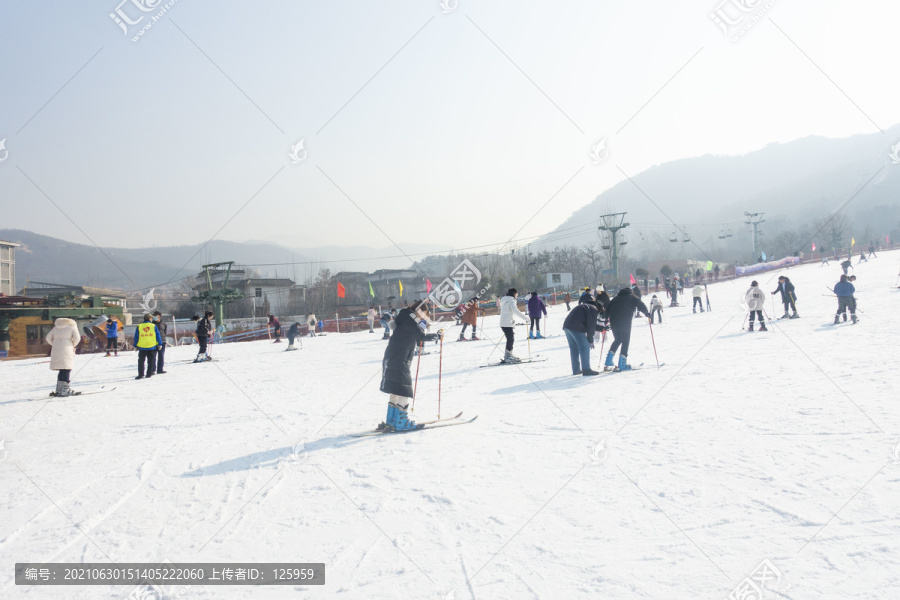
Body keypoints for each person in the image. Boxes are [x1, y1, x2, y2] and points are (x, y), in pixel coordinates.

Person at [378, 299, 429, 431]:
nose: (424, 316)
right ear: (419, 311)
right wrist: (437, 336)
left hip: (391, 357)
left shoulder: (404, 317)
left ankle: (392, 420)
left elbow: (422, 329)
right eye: (424, 313)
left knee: (396, 389)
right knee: (404, 389)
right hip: (399, 360)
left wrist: (425, 323)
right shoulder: (411, 321)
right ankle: (401, 422)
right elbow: (421, 336)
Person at [602, 288, 650, 371]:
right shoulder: (632, 297)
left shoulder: (615, 298)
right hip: (625, 322)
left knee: (617, 340)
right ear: (630, 292)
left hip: (614, 322)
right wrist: (647, 313)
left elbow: (607, 309)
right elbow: (640, 304)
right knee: (625, 341)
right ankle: (622, 364)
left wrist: (606, 319)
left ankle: (608, 361)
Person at [562, 300, 601, 376]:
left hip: (567, 326)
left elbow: (590, 324)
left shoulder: (584, 307)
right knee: (585, 347)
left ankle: (576, 370)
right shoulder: (593, 309)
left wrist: (601, 328)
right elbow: (591, 327)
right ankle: (586, 369)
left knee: (574, 348)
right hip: (576, 327)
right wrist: (590, 340)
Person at [46, 317, 80, 396]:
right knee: (67, 368)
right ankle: (65, 390)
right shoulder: (72, 327)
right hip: (67, 348)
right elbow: (77, 338)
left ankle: (59, 389)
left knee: (61, 369)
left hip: (56, 348)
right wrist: (72, 345)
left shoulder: (55, 328)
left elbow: (48, 338)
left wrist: (54, 343)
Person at [499, 288, 529, 363]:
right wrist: (524, 317)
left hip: (504, 323)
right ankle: (507, 356)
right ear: (514, 293)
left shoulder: (504, 299)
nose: (517, 295)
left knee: (510, 338)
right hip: (507, 323)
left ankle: (509, 354)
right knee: (510, 339)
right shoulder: (511, 300)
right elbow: (515, 310)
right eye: (517, 294)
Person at [134, 314, 162, 379]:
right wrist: (160, 344)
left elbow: (136, 337)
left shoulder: (139, 326)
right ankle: (149, 374)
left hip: (142, 347)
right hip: (152, 346)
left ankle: (141, 374)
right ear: (149, 319)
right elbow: (158, 335)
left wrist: (135, 345)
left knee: (141, 361)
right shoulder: (153, 326)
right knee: (151, 361)